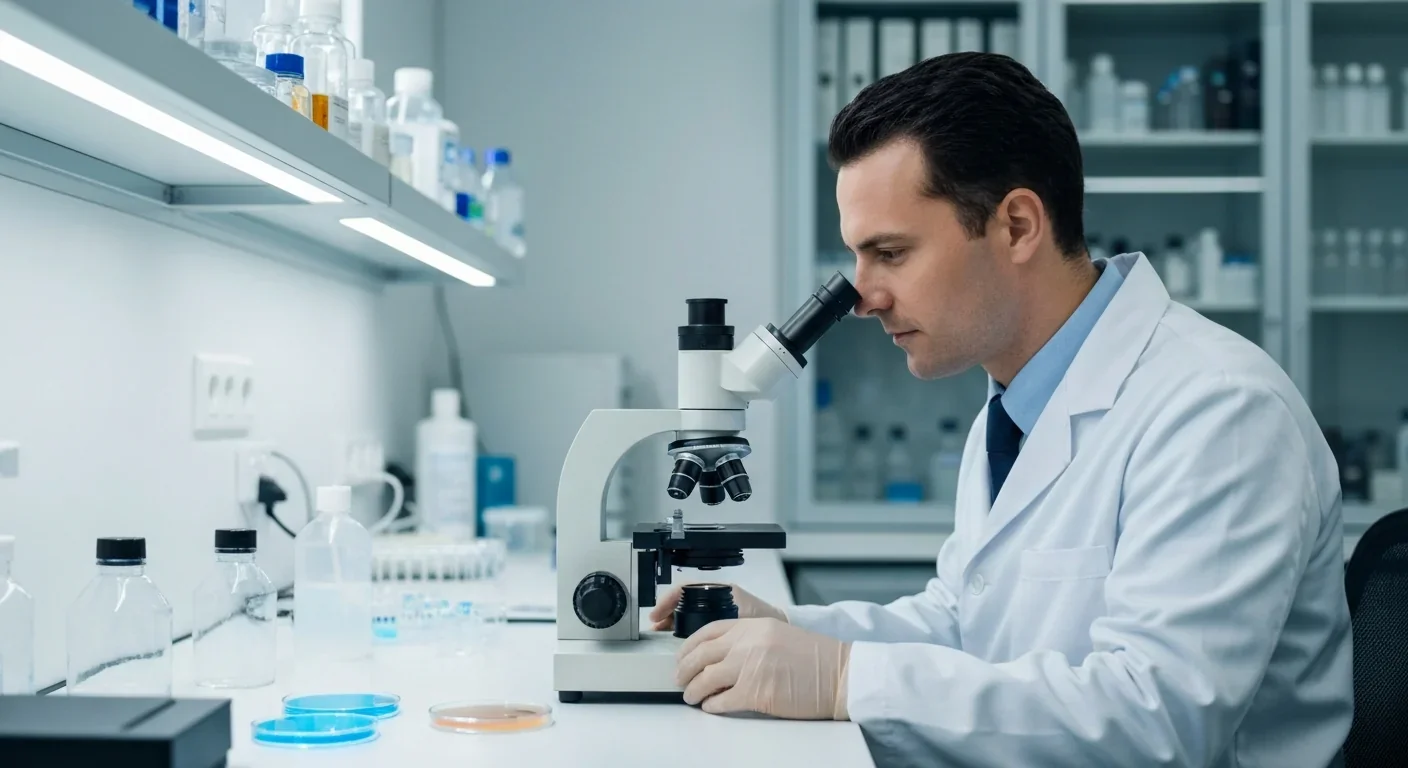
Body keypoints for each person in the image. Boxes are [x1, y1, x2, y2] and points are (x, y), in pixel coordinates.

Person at [650, 53, 1353, 767]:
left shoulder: (1218, 412)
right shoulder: (1018, 403)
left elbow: (1160, 720)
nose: (862, 298)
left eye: (890, 252)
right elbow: (969, 623)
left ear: (1017, 226)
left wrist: (842, 678)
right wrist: (794, 632)